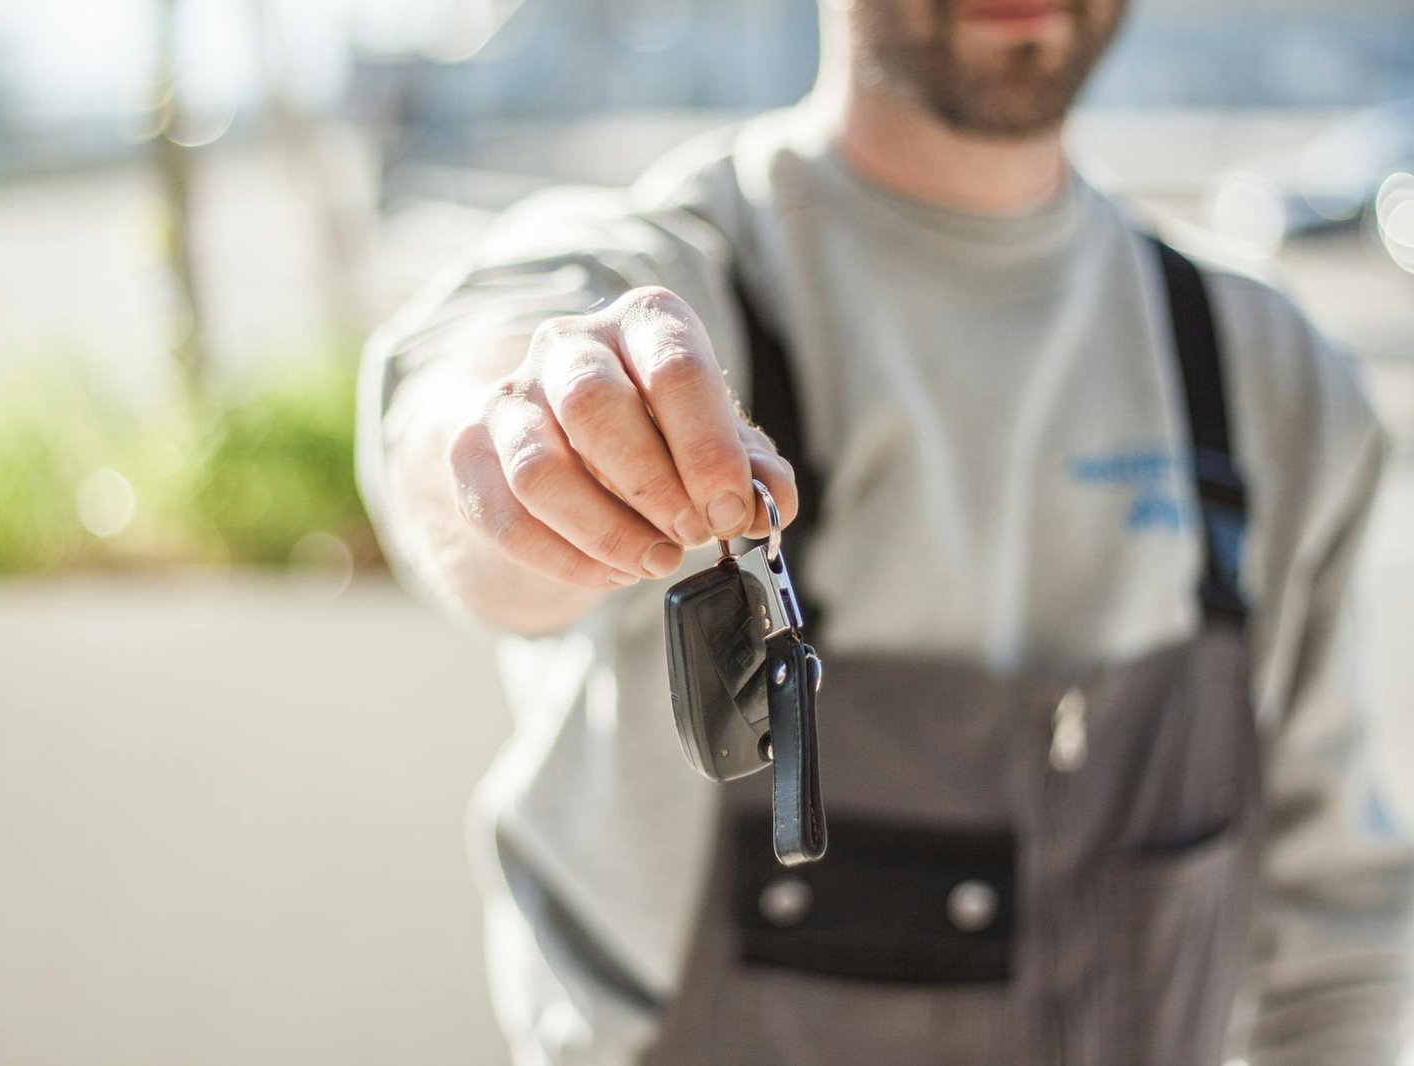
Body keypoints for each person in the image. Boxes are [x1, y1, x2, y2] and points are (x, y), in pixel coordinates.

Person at [356, 0, 1414, 1061]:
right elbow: (464, 424)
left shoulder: (1268, 375)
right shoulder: (676, 274)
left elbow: (1332, 943)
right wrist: (538, 450)